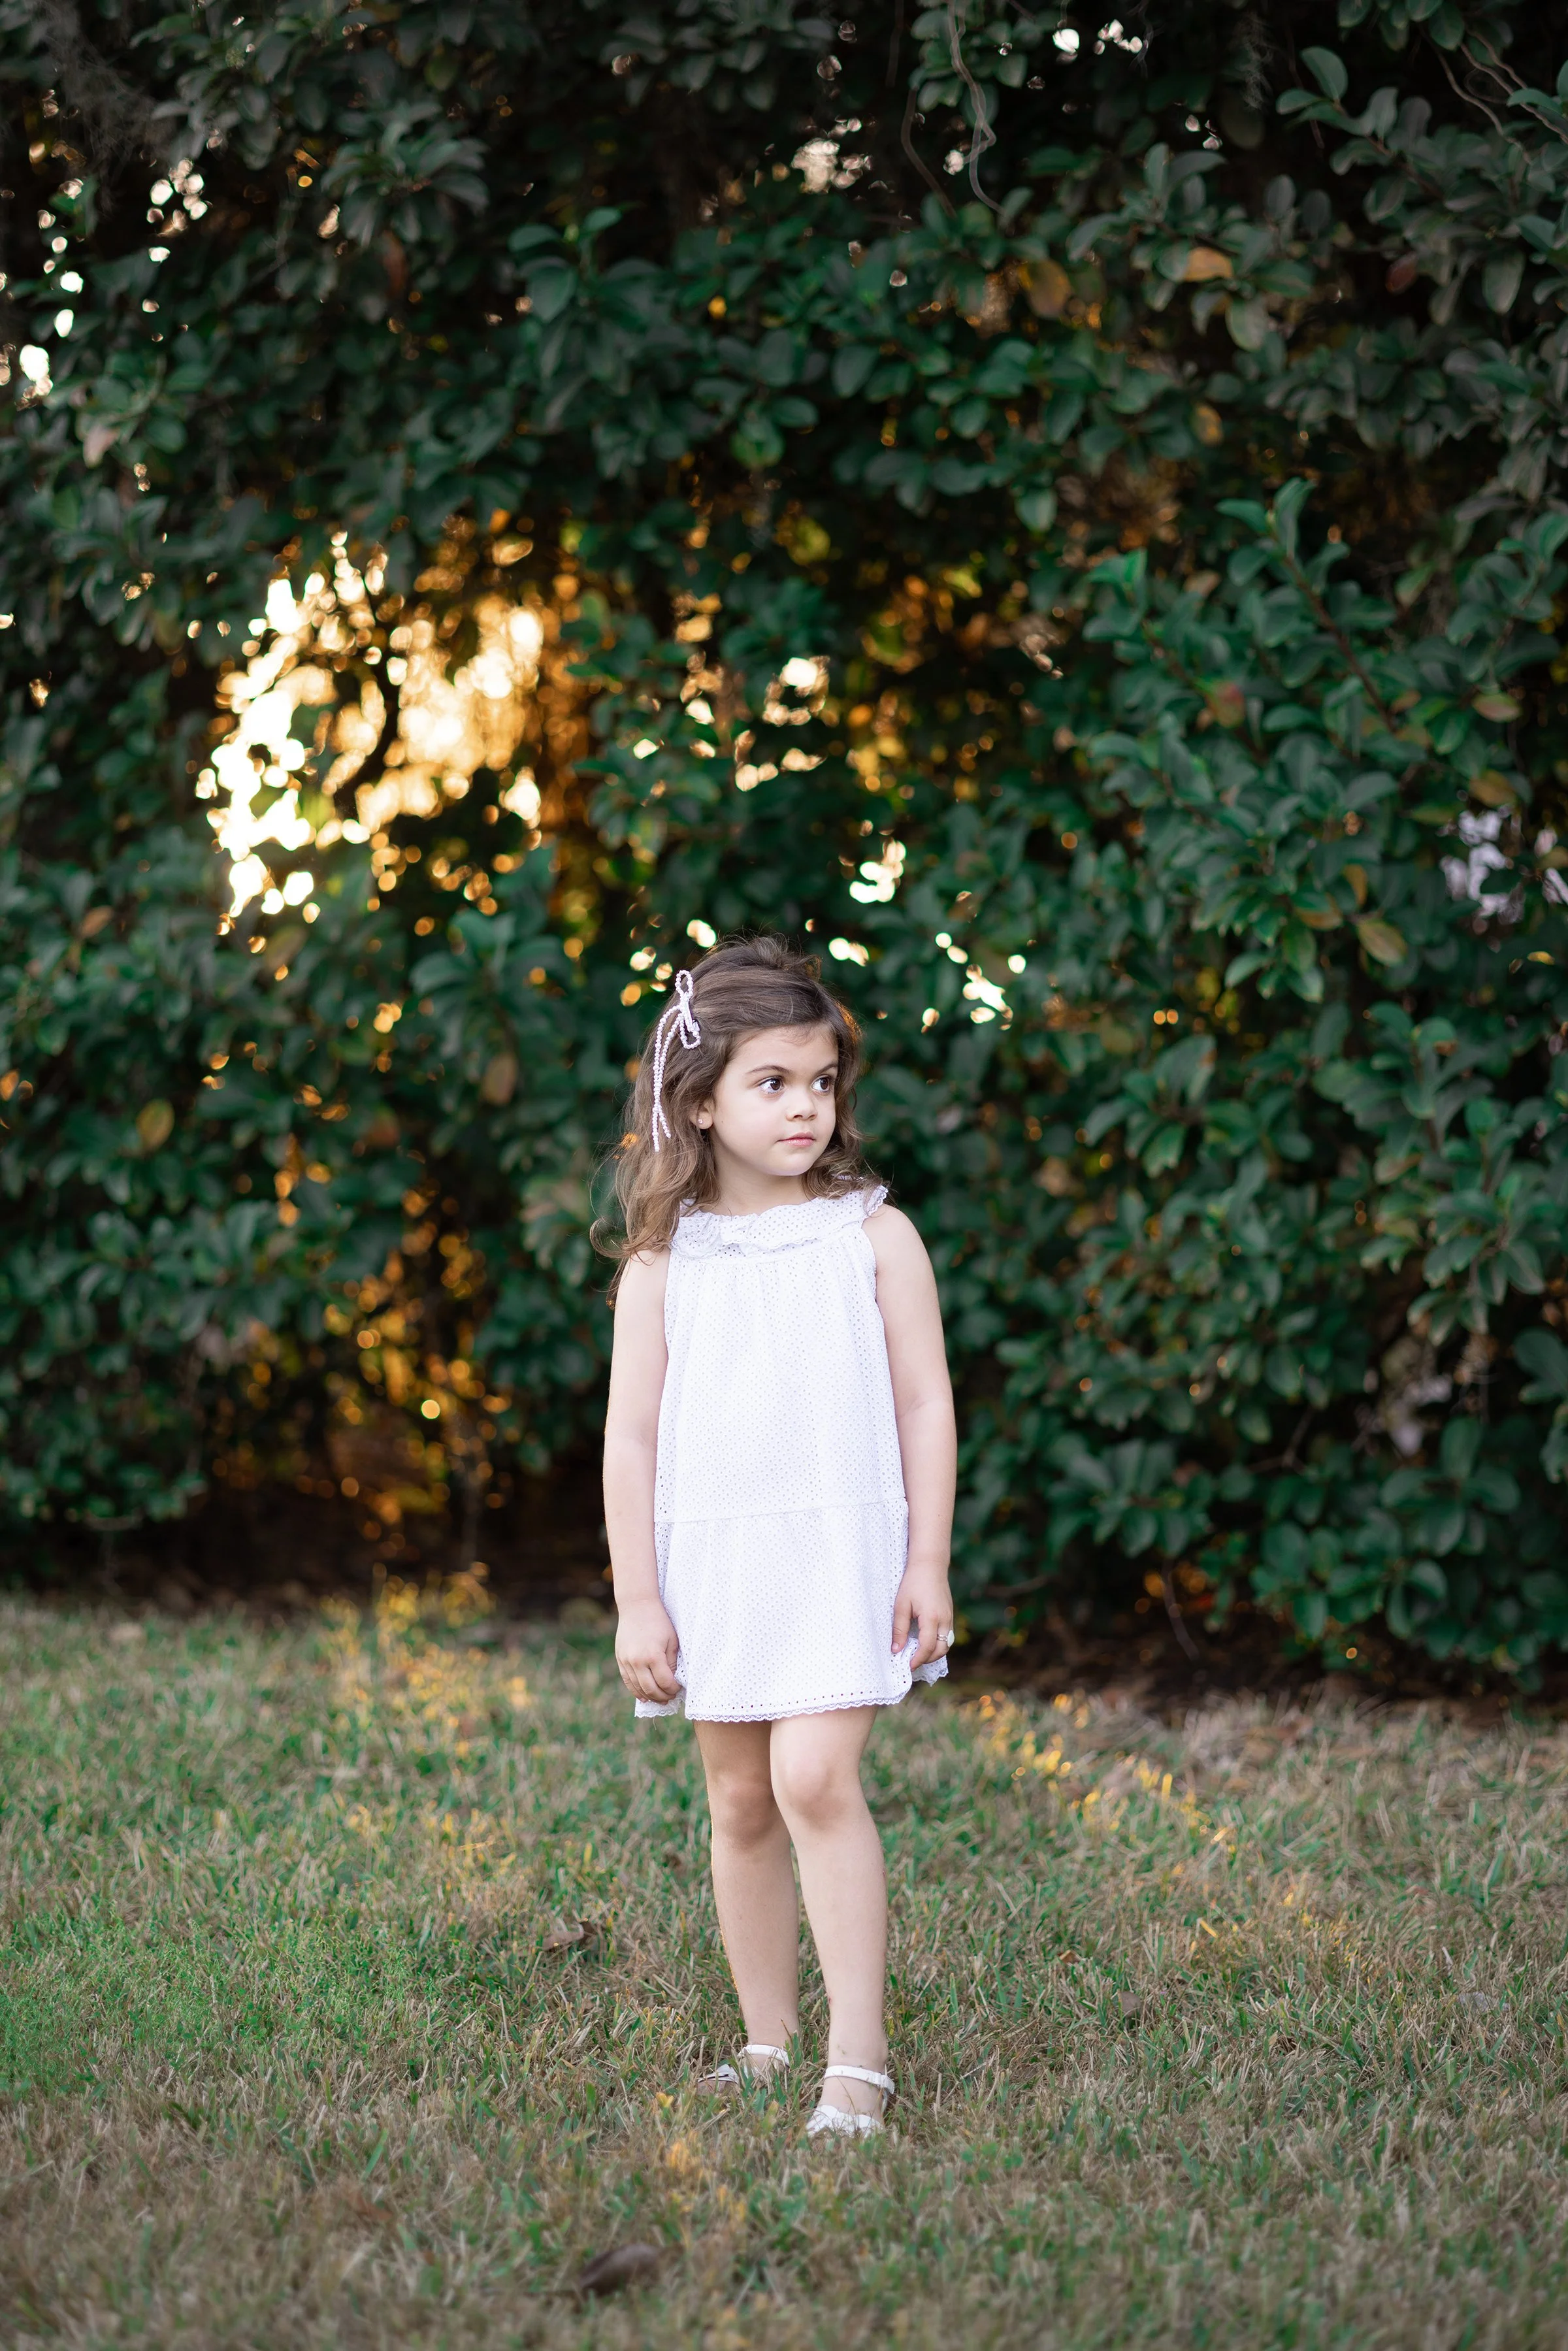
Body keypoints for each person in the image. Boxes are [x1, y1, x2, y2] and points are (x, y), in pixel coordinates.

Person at [598, 936, 956, 2139]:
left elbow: (925, 1402)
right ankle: (767, 2041)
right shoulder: (665, 1265)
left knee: (813, 1777)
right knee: (741, 1798)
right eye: (774, 1082)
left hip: (843, 1554)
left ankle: (858, 2059)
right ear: (701, 1102)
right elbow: (631, 1438)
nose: (807, 1105)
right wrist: (638, 1598)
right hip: (720, 1562)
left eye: (822, 1081)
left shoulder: (873, 1236)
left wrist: (927, 1560)